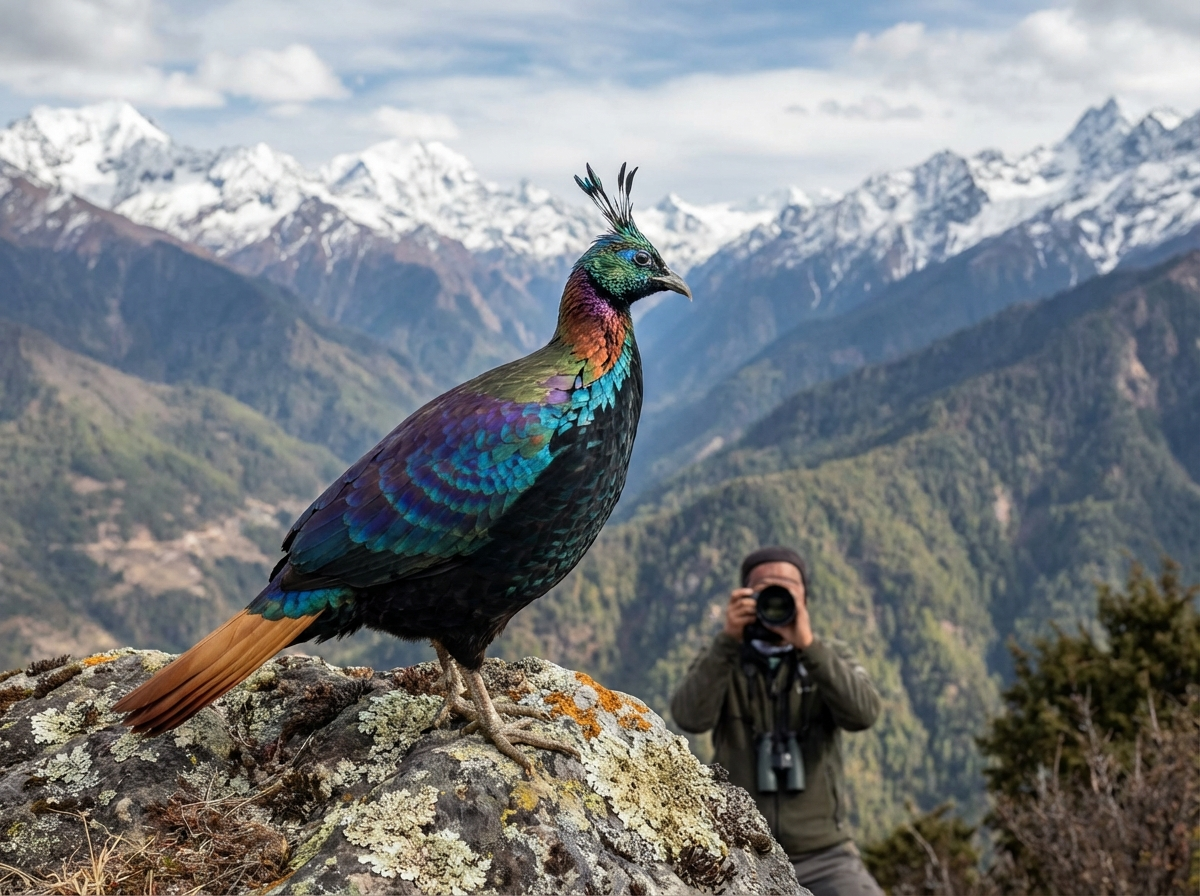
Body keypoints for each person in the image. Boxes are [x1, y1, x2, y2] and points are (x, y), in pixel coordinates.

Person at [671, 547, 884, 896]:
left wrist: (809, 646)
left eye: (786, 588)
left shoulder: (829, 656)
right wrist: (727, 641)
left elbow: (863, 715)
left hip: (824, 853)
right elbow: (689, 717)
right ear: (743, 597)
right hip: (737, 848)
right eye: (763, 589)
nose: (774, 598)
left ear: (804, 599)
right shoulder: (725, 659)